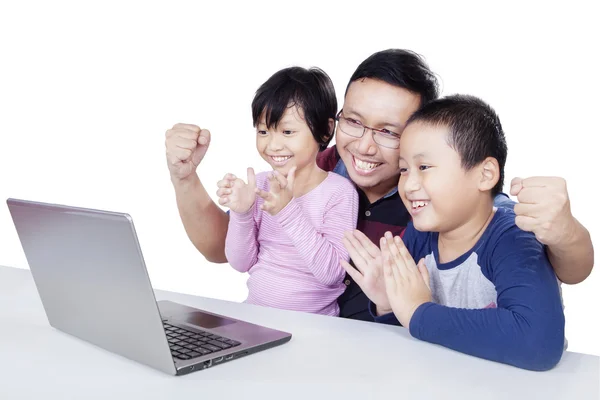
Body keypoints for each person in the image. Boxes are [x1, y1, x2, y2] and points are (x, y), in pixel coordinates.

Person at [164, 49, 594, 321]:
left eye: (390, 131)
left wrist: (566, 232)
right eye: (353, 122)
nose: (365, 145)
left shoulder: (435, 195)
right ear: (334, 121)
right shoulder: (314, 169)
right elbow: (225, 249)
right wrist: (185, 177)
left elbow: (559, 265)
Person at [345, 94, 565, 371]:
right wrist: (390, 305)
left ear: (485, 175)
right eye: (403, 169)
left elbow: (539, 343)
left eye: (424, 167)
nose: (409, 185)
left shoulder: (513, 236)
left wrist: (417, 312)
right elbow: (412, 334)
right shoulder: (420, 232)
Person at [215, 66, 358, 316]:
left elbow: (332, 273)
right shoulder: (259, 186)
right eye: (263, 131)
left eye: (287, 131)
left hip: (314, 330)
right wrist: (242, 213)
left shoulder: (339, 193)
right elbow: (240, 263)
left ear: (325, 130)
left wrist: (288, 211)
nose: (273, 144)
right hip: (255, 317)